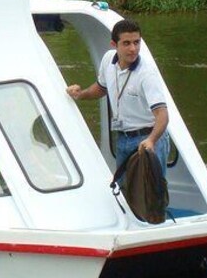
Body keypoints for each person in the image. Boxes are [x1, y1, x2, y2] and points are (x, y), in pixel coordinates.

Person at [67, 18, 169, 173]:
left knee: (151, 192)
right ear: (114, 45)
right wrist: (80, 94)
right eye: (127, 43)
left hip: (148, 138)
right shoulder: (108, 59)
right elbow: (101, 88)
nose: (133, 49)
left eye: (137, 42)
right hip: (123, 138)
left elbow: (162, 115)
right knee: (123, 188)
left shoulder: (147, 74)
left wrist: (151, 140)